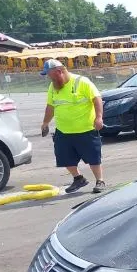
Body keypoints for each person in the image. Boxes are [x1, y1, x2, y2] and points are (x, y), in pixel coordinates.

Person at [39, 59, 106, 193]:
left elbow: (96, 99)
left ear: (59, 72)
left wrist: (99, 117)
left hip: (85, 129)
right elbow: (50, 107)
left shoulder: (82, 82)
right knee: (64, 158)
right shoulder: (53, 87)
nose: (49, 78)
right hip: (63, 131)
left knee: (93, 157)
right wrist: (45, 123)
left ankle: (100, 181)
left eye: (50, 75)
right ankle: (78, 178)